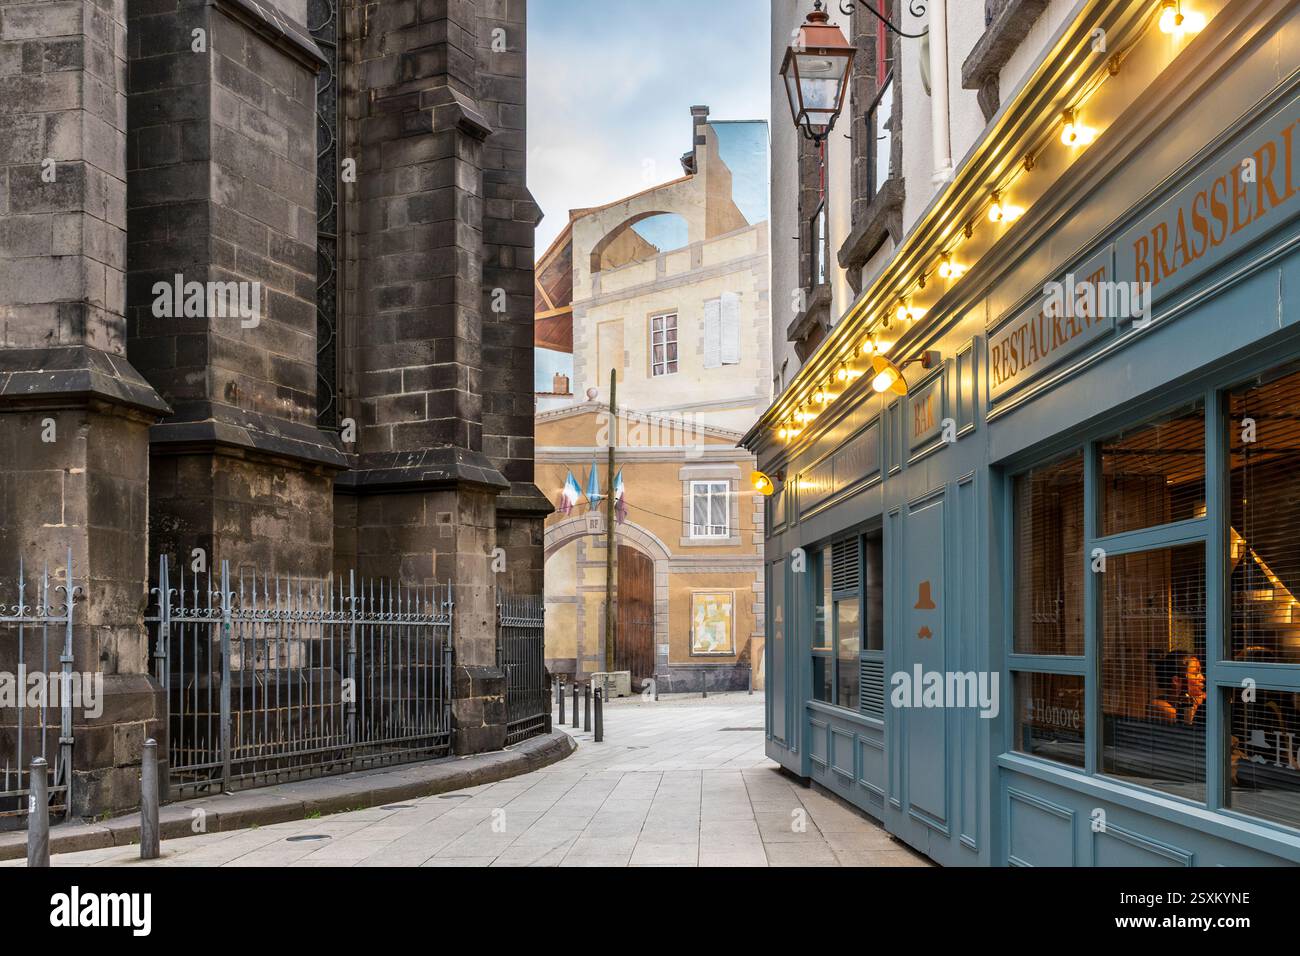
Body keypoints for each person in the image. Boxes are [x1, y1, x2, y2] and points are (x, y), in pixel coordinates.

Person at [1148, 651, 1206, 726]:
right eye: (1195, 673)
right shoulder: (1158, 705)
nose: (1203, 678)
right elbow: (1185, 723)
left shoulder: (1194, 699)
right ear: (1176, 681)